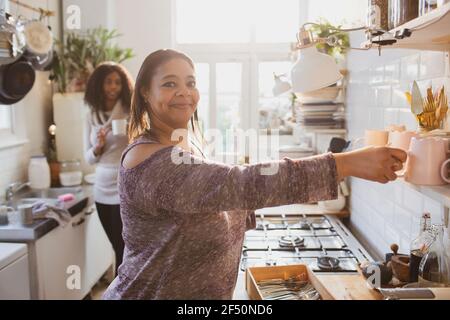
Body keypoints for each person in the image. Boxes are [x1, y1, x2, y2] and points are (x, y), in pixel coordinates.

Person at [103, 49, 407, 300]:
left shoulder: (184, 145)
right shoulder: (152, 162)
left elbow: (225, 192)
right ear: (144, 91)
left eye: (190, 82)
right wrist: (346, 164)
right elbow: (240, 185)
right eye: (169, 83)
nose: (184, 92)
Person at [84, 62, 134, 275]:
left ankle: (122, 290)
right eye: (108, 82)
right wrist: (98, 146)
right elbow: (88, 158)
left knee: (125, 246)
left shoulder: (128, 110)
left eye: (117, 82)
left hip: (124, 185)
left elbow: (139, 144)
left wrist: (132, 134)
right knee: (115, 245)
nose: (113, 87)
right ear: (99, 85)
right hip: (102, 188)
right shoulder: (91, 114)